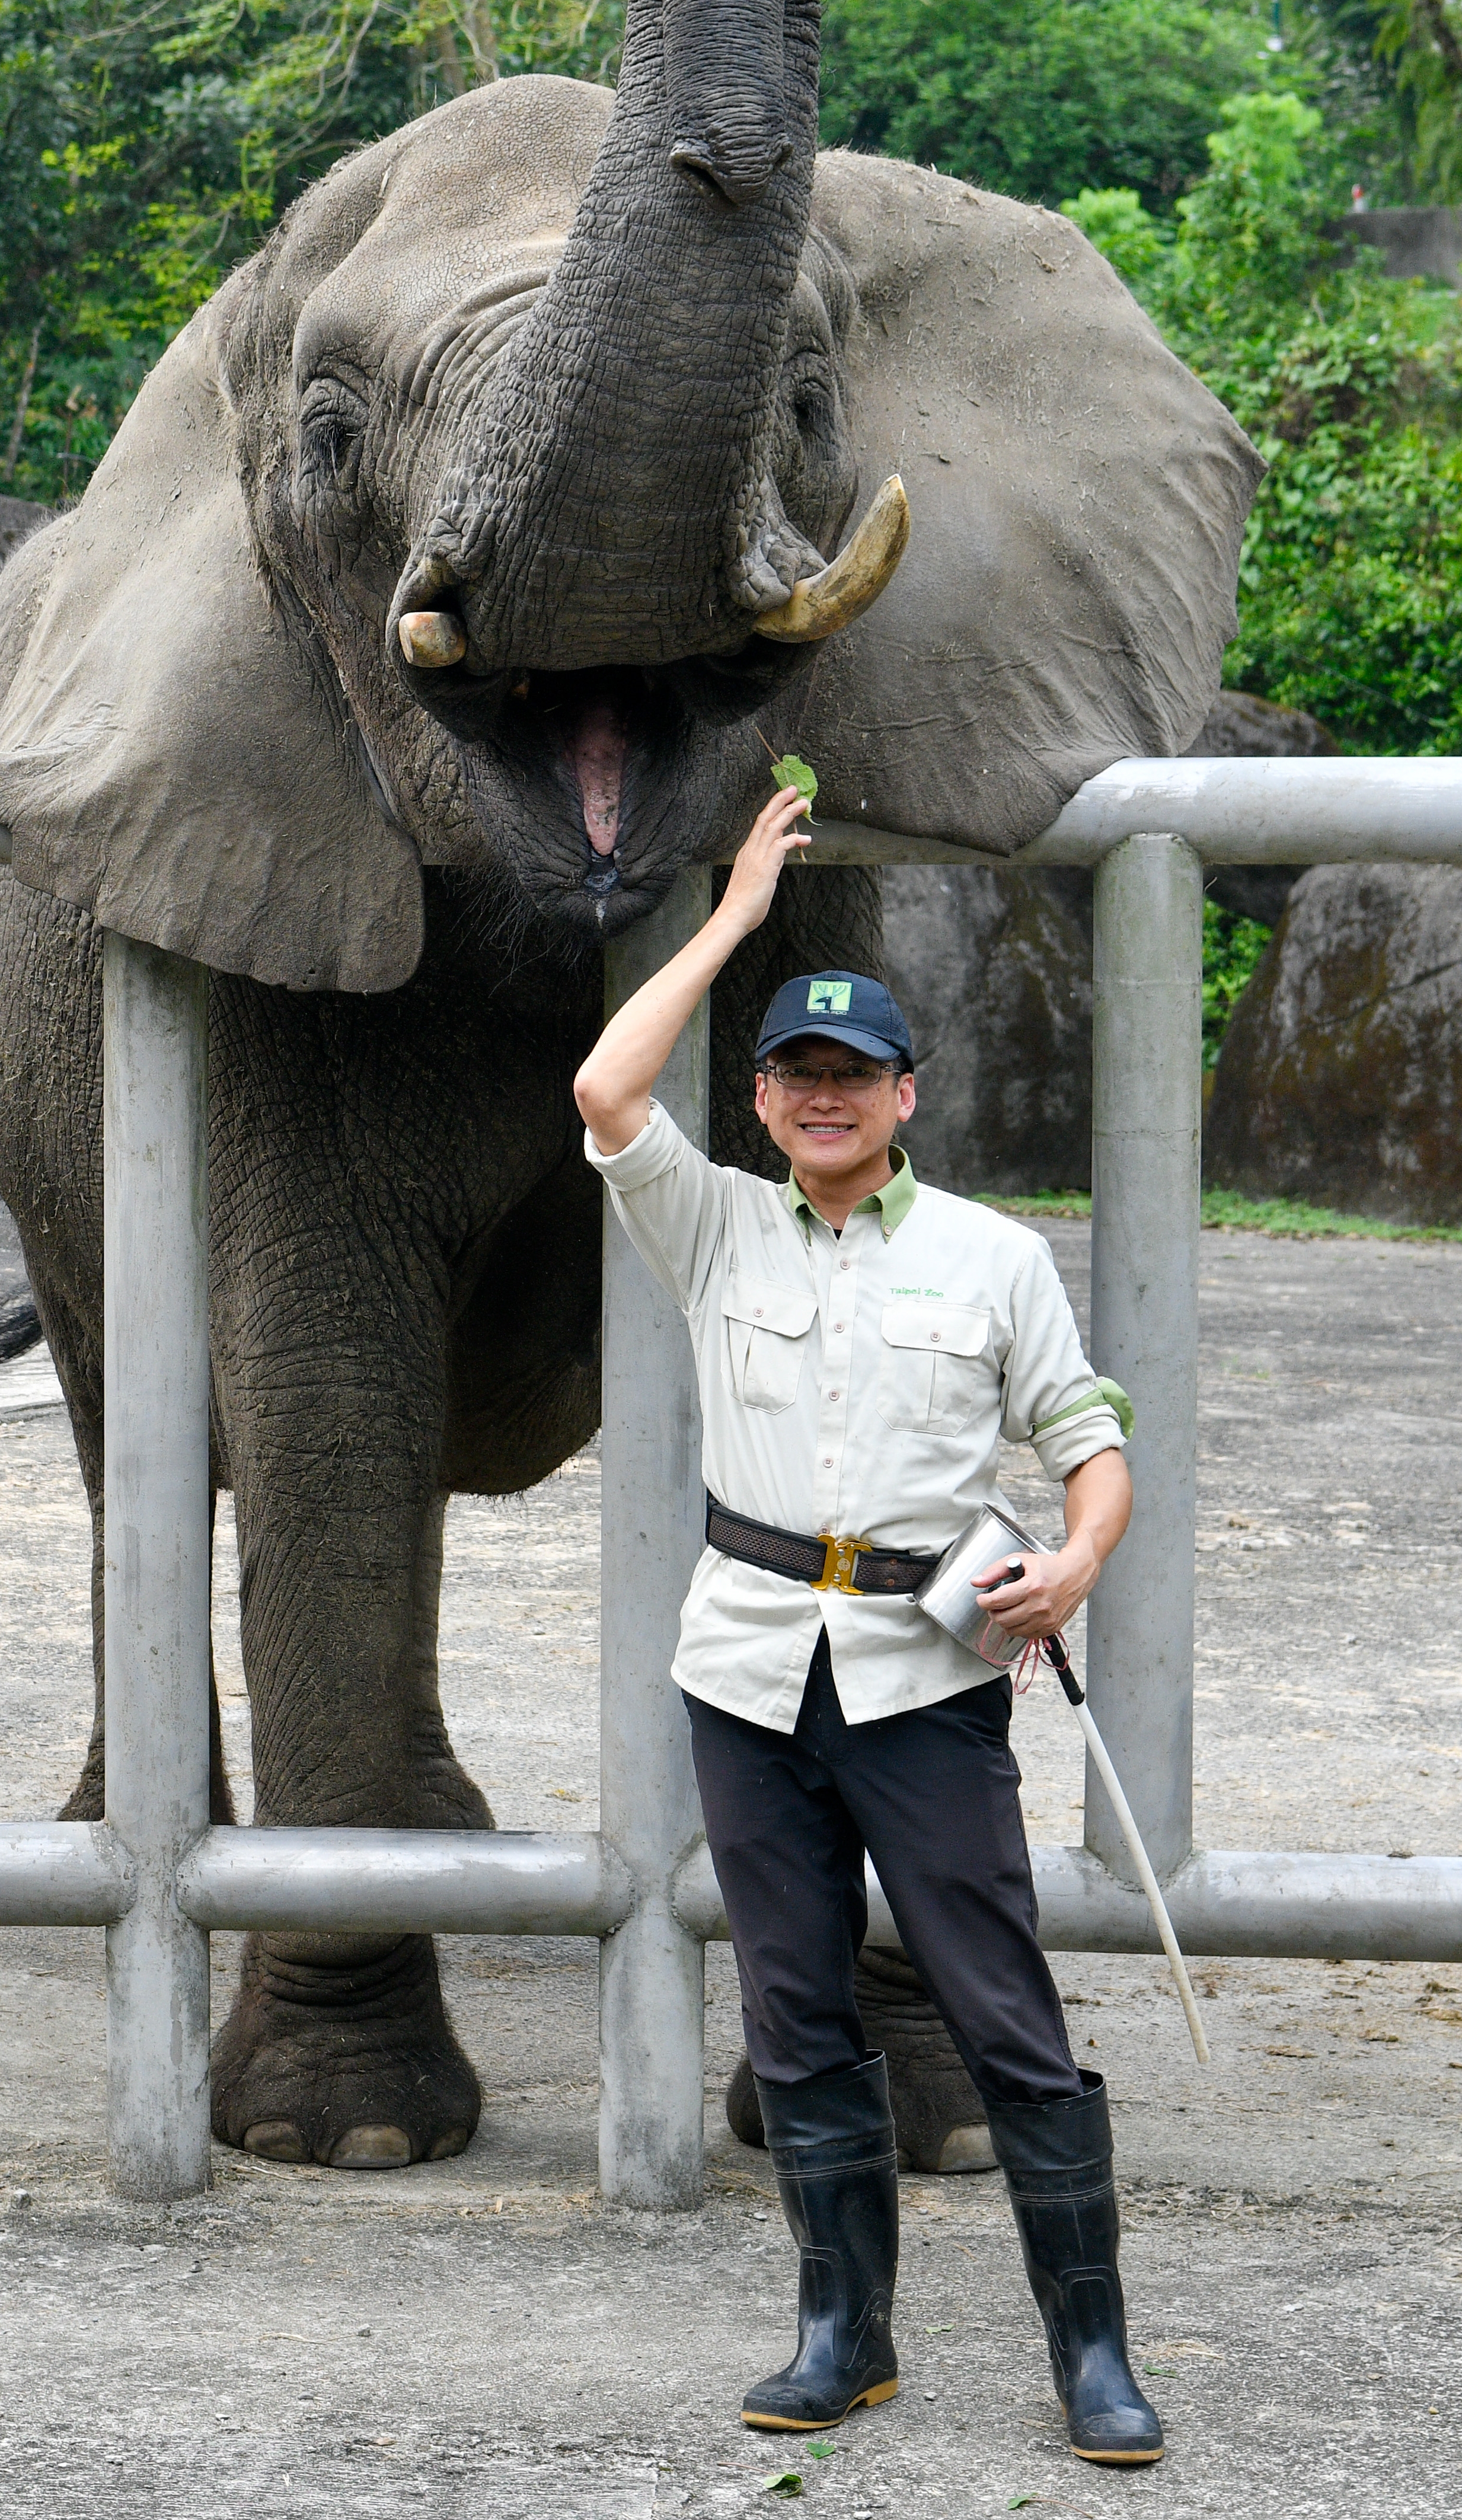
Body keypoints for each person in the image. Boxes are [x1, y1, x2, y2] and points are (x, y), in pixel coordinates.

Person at [571, 781, 1167, 2468]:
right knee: (795, 2006)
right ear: (763, 1099)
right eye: (797, 1074)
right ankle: (846, 2331)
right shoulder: (713, 1225)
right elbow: (608, 1087)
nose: (825, 1097)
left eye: (856, 1074)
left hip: (926, 1677)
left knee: (999, 2004)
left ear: (906, 1095)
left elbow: (1092, 1442)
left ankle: (1094, 2350)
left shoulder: (992, 1258)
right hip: (748, 1672)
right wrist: (735, 919)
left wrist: (1078, 1562)